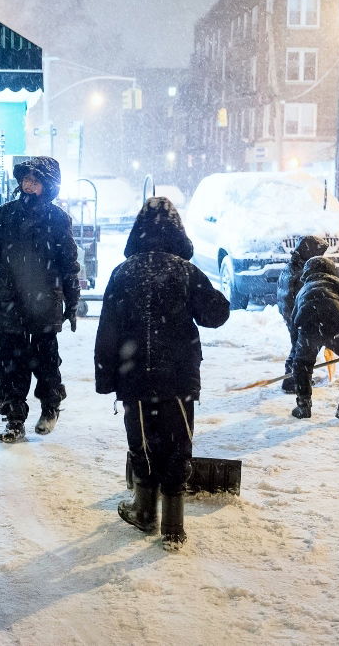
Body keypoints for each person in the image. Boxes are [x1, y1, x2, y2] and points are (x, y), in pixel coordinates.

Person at [94, 197, 230, 552]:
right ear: (177, 232)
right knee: (177, 446)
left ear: (137, 231)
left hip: (134, 377)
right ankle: (173, 526)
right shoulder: (186, 272)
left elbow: (107, 330)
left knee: (142, 445)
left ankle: (144, 512)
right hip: (178, 379)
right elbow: (216, 315)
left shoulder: (123, 273)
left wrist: (105, 377)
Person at [0, 156, 80, 443]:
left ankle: (51, 405)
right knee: (9, 364)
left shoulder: (57, 219)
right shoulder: (5, 215)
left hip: (44, 303)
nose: (29, 185)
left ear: (48, 186)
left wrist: (72, 300)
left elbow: (69, 263)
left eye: (36, 181)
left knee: (45, 361)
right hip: (9, 301)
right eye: (26, 179)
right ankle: (14, 419)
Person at [290, 256, 339, 421]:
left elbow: (293, 323)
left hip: (308, 327)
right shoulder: (338, 284)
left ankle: (303, 406)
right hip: (335, 325)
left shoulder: (302, 291)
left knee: (302, 364)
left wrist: (298, 347)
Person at [276, 235, 330, 394]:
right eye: (318, 254)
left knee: (299, 346)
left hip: (292, 313)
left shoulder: (293, 265)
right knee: (303, 348)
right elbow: (303, 295)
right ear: (310, 252)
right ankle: (293, 381)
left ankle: (296, 377)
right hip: (298, 315)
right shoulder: (301, 271)